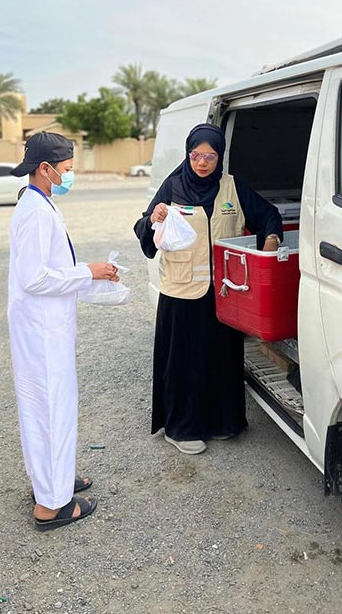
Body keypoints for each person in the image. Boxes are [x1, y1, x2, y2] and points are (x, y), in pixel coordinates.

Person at [134, 123, 283, 455]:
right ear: (189, 155)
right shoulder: (172, 187)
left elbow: (268, 215)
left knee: (221, 359)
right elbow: (144, 230)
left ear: (220, 157)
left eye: (210, 156)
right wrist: (154, 219)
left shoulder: (232, 188)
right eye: (196, 155)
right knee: (184, 362)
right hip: (181, 295)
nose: (202, 163)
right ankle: (181, 428)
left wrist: (271, 239)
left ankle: (221, 421)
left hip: (224, 294)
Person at [8, 131, 119, 530]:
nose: (70, 176)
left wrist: (91, 277)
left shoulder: (38, 202)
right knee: (51, 409)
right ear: (45, 168)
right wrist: (87, 271)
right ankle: (52, 506)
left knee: (46, 409)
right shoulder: (35, 211)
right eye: (67, 169)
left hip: (42, 327)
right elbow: (34, 278)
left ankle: (51, 482)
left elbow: (49, 268)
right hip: (41, 332)